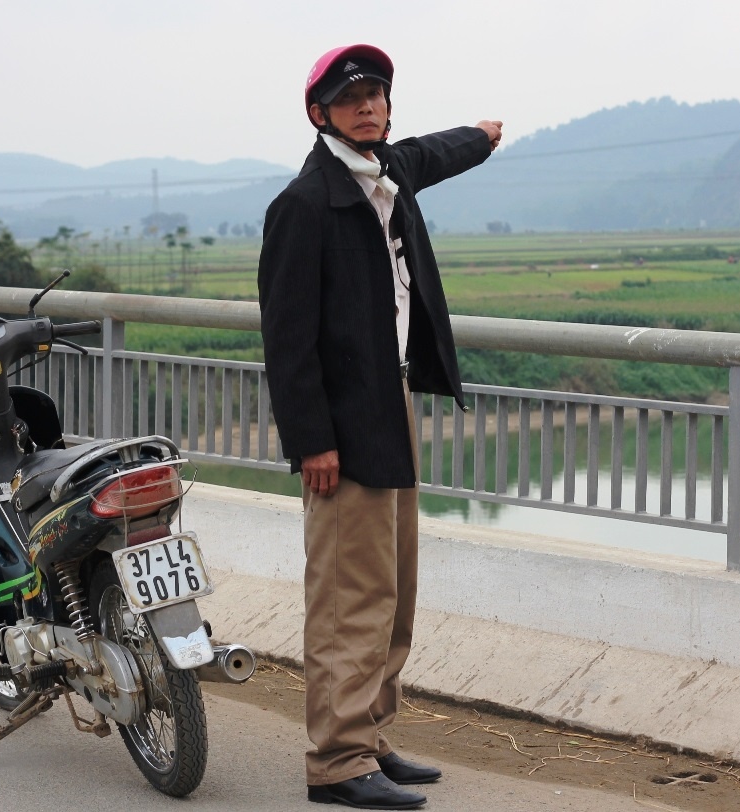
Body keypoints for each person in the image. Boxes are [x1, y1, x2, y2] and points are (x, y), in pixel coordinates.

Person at [257, 43, 502, 810]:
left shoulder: (385, 171)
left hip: (388, 399)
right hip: (341, 420)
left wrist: (482, 137)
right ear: (318, 113)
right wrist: (311, 440)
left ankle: (369, 736)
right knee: (349, 595)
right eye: (349, 97)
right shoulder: (305, 205)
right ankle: (336, 761)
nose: (367, 106)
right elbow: (286, 339)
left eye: (377, 94)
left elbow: (433, 153)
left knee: (394, 589)